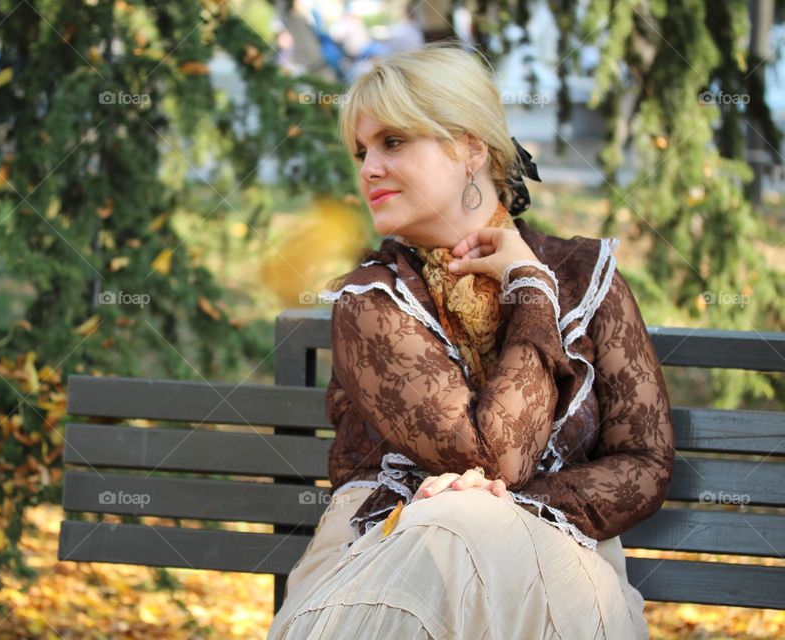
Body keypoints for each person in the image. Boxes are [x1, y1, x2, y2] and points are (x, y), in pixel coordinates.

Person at [267, 43, 674, 639]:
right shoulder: (373, 300)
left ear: (470, 147)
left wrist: (528, 281)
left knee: (463, 518)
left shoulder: (585, 276)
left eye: (394, 142)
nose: (368, 168)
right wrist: (533, 293)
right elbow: (494, 456)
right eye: (362, 150)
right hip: (378, 549)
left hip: (557, 564)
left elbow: (645, 462)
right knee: (450, 525)